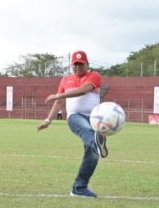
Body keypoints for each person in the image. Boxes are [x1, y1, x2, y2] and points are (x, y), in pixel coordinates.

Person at [37, 50, 107, 198]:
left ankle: (79, 188)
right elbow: (59, 103)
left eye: (81, 64)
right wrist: (48, 120)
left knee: (93, 155)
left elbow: (84, 90)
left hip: (94, 118)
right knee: (89, 134)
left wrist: (60, 94)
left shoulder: (94, 76)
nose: (77, 67)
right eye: (75, 64)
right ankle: (96, 142)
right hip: (75, 117)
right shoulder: (65, 80)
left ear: (87, 64)